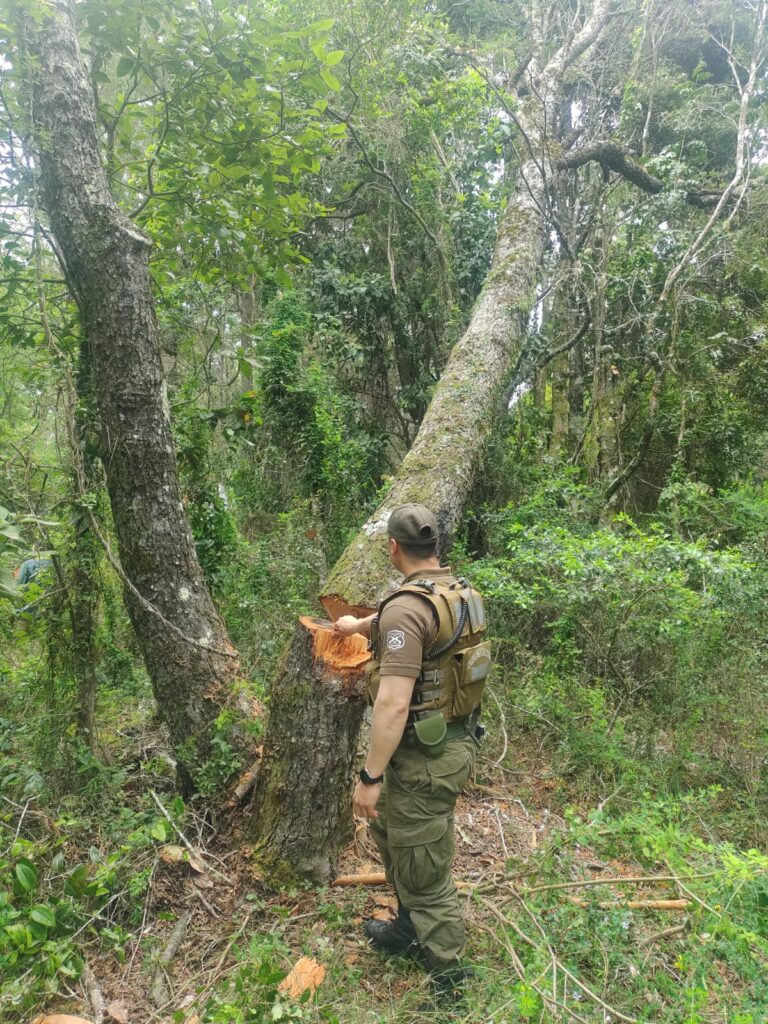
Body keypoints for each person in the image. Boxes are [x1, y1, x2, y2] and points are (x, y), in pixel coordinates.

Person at [334, 503, 490, 1000]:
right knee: (393, 833)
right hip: (452, 742)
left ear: (393, 548)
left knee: (423, 866)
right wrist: (360, 627)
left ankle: (449, 978)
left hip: (424, 759)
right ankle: (407, 927)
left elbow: (394, 704)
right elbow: (410, 621)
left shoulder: (407, 607)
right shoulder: (458, 592)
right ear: (436, 547)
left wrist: (369, 776)